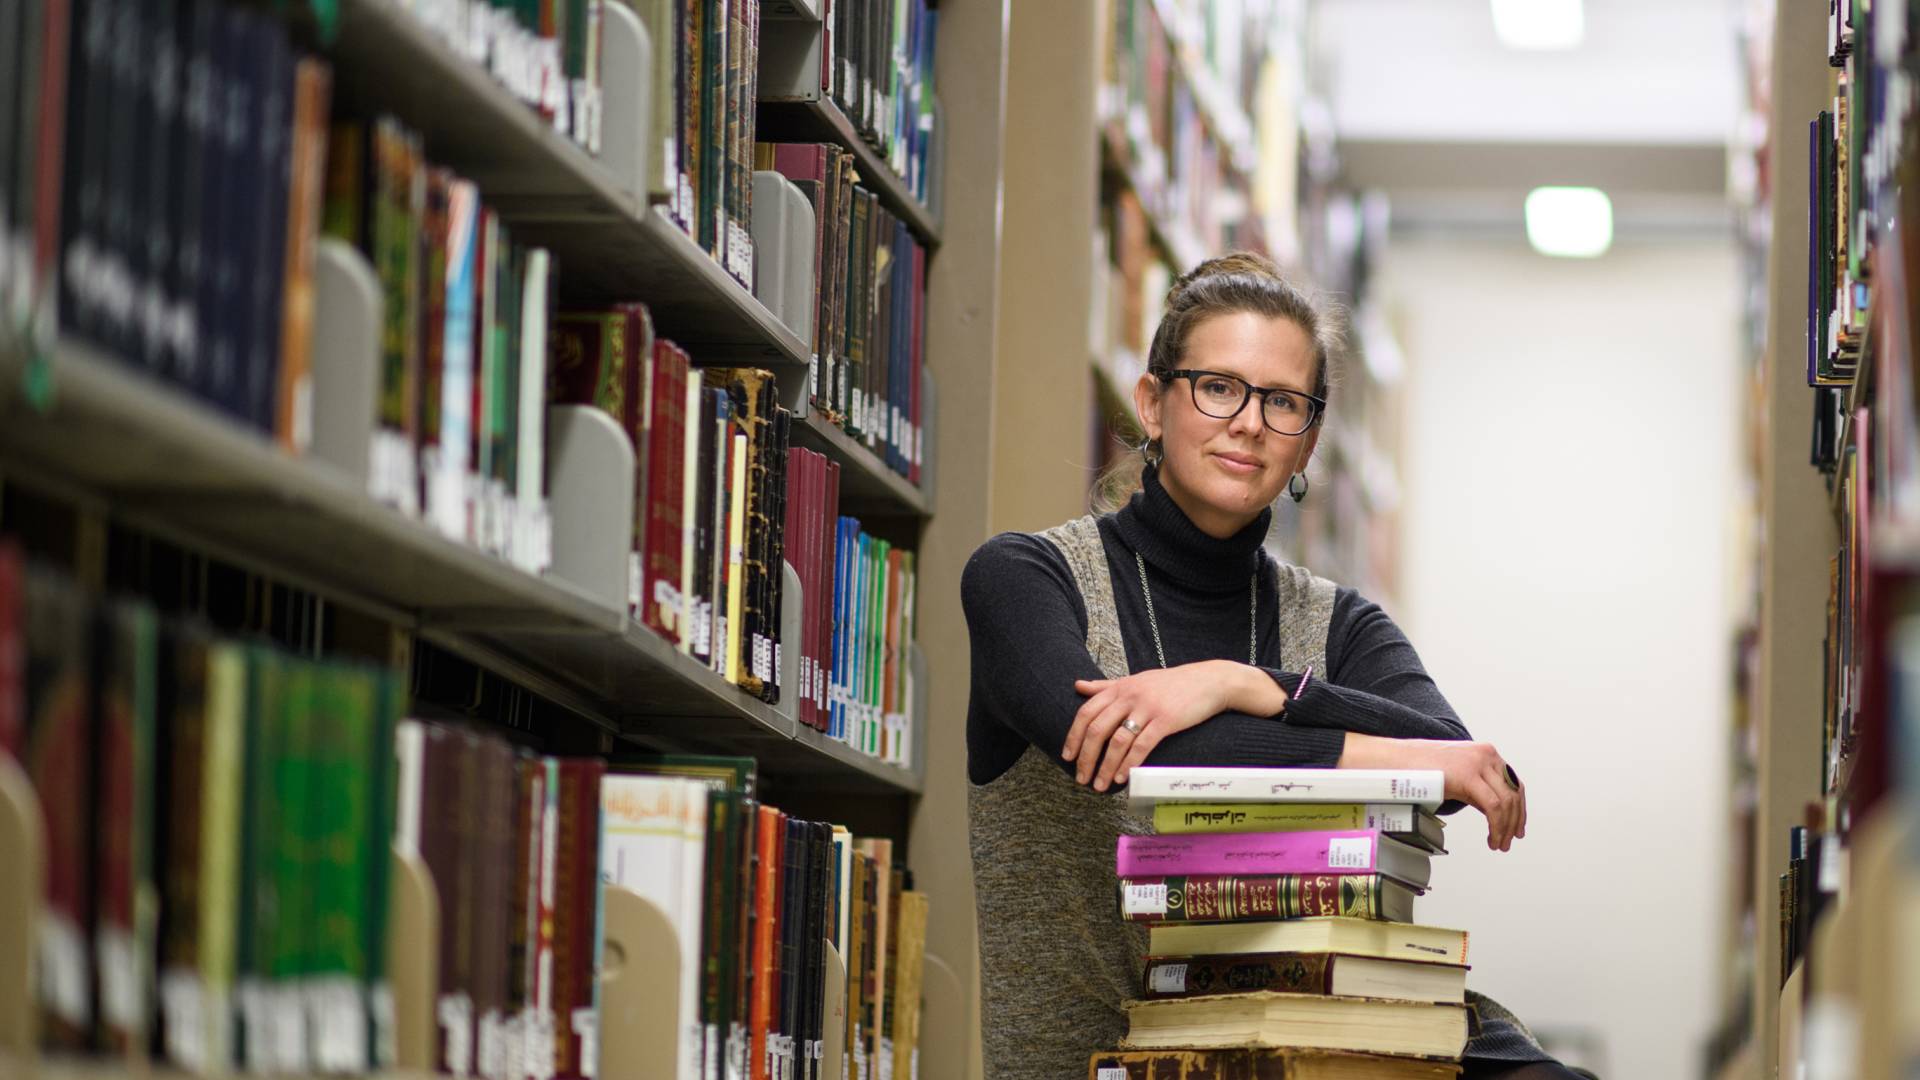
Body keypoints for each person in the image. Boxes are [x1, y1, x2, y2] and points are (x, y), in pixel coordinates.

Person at [961, 253, 1589, 1080]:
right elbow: (1138, 753)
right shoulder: (1027, 580)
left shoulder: (1337, 624)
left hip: (1320, 1048)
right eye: (1217, 387)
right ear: (1152, 404)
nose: (1249, 422)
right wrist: (1376, 746)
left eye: (1283, 402)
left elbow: (1458, 762)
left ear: (1309, 445)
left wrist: (1250, 684)